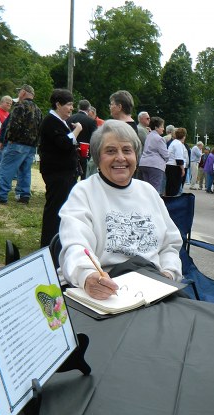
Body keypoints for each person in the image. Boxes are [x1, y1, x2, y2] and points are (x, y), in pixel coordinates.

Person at [58, 120, 182, 300]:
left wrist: (169, 274)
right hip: (107, 287)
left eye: (127, 150)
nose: (120, 158)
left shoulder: (148, 192)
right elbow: (76, 245)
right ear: (97, 157)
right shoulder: (84, 192)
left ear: (136, 156)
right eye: (110, 151)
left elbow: (170, 245)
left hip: (154, 286)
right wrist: (87, 275)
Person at [39, 89, 82, 248]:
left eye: (72, 105)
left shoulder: (60, 121)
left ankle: (58, 240)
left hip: (65, 173)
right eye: (69, 105)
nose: (71, 108)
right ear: (58, 104)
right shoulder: (50, 121)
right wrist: (76, 131)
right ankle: (48, 244)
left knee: (62, 207)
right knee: (54, 208)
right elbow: (64, 144)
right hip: (57, 173)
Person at [0, 84, 42, 205]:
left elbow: (13, 125)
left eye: (20, 92)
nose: (18, 94)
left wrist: (8, 139)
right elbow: (40, 128)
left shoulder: (20, 106)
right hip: (31, 146)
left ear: (24, 93)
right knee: (25, 171)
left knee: (6, 168)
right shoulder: (38, 109)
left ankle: (2, 195)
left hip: (17, 143)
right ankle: (24, 195)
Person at [67, 99, 98, 180]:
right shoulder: (91, 121)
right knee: (84, 177)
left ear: (78, 107)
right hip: (85, 152)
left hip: (71, 151)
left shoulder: (69, 119)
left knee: (71, 176)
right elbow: (95, 137)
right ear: (89, 109)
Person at [138, 116, 168, 194]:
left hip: (144, 163)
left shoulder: (148, 136)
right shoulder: (159, 138)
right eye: (161, 126)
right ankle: (154, 205)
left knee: (147, 190)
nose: (163, 129)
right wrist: (166, 160)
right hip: (155, 165)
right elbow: (165, 154)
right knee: (155, 190)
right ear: (156, 127)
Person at [165, 127, 187, 196]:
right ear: (184, 136)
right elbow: (179, 159)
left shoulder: (174, 142)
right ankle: (172, 203)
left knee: (169, 186)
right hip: (174, 167)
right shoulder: (178, 144)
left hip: (169, 166)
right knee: (174, 188)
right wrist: (183, 169)